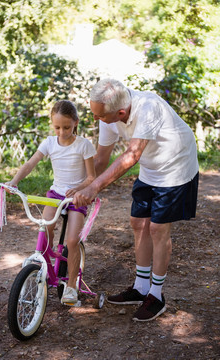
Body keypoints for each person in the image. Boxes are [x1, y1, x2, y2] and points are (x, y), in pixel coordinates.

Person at [72, 78, 199, 321]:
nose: (95, 120)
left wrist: (95, 188)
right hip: (151, 167)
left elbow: (131, 155)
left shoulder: (148, 106)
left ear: (120, 113)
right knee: (138, 222)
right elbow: (100, 160)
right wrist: (78, 186)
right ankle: (141, 289)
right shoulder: (109, 114)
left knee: (158, 228)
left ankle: (156, 295)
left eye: (99, 116)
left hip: (176, 167)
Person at [7, 100, 96, 305]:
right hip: (55, 195)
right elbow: (30, 163)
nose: (62, 132)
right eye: (57, 127)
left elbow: (92, 178)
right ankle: (46, 269)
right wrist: (14, 182)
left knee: (72, 241)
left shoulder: (84, 145)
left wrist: (80, 188)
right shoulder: (49, 142)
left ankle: (72, 286)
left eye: (66, 127)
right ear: (51, 124)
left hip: (77, 197)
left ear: (75, 122)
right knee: (45, 230)